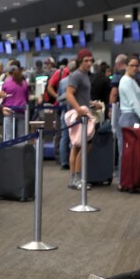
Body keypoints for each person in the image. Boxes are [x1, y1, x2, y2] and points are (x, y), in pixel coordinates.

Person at [64, 49, 97, 190]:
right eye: (86, 60)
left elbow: (78, 95)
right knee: (84, 146)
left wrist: (91, 103)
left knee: (76, 147)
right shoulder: (77, 75)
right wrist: (79, 109)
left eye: (91, 60)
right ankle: (77, 178)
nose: (89, 63)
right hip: (79, 115)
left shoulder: (84, 75)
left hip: (81, 113)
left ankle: (74, 179)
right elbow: (69, 94)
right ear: (80, 61)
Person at [117, 55, 140, 181]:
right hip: (128, 118)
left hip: (133, 117)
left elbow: (136, 101)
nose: (135, 68)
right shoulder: (126, 81)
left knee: (132, 151)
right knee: (125, 152)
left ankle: (129, 179)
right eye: (132, 65)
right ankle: (123, 180)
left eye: (137, 66)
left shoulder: (132, 80)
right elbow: (133, 102)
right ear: (126, 66)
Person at [0, 63, 29, 138]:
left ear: (9, 73)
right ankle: (21, 149)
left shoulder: (7, 82)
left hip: (9, 111)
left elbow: (2, 94)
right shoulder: (24, 83)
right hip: (21, 110)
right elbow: (27, 97)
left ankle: (9, 150)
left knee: (9, 136)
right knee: (21, 137)